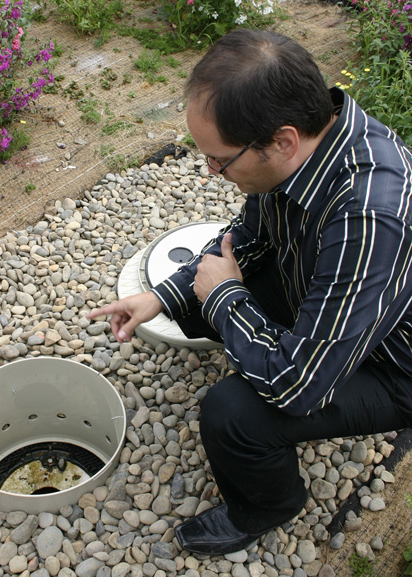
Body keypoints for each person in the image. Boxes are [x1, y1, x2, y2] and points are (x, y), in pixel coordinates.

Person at [88, 28, 412, 556]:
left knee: (233, 414)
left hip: (394, 362)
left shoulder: (369, 216)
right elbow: (249, 239)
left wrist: (223, 300)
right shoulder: (308, 149)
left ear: (281, 140)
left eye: (220, 160)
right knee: (201, 295)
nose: (213, 173)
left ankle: (268, 505)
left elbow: (300, 387)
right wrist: (164, 297)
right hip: (338, 299)